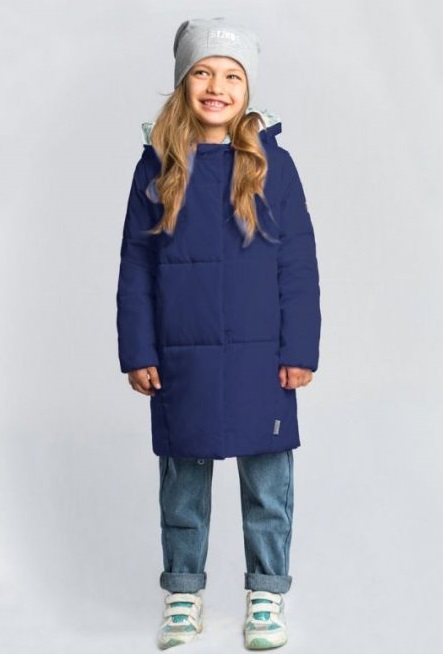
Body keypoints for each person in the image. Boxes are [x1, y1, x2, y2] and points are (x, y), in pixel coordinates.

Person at [116, 16, 321, 651]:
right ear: (183, 83)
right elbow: (136, 266)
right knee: (182, 483)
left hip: (263, 357)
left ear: (247, 88)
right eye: (202, 72)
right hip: (182, 356)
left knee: (268, 484)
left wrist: (300, 348)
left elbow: (298, 263)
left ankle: (267, 593)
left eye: (232, 76)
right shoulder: (156, 167)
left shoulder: (274, 166)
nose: (216, 87)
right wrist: (138, 349)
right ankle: (183, 593)